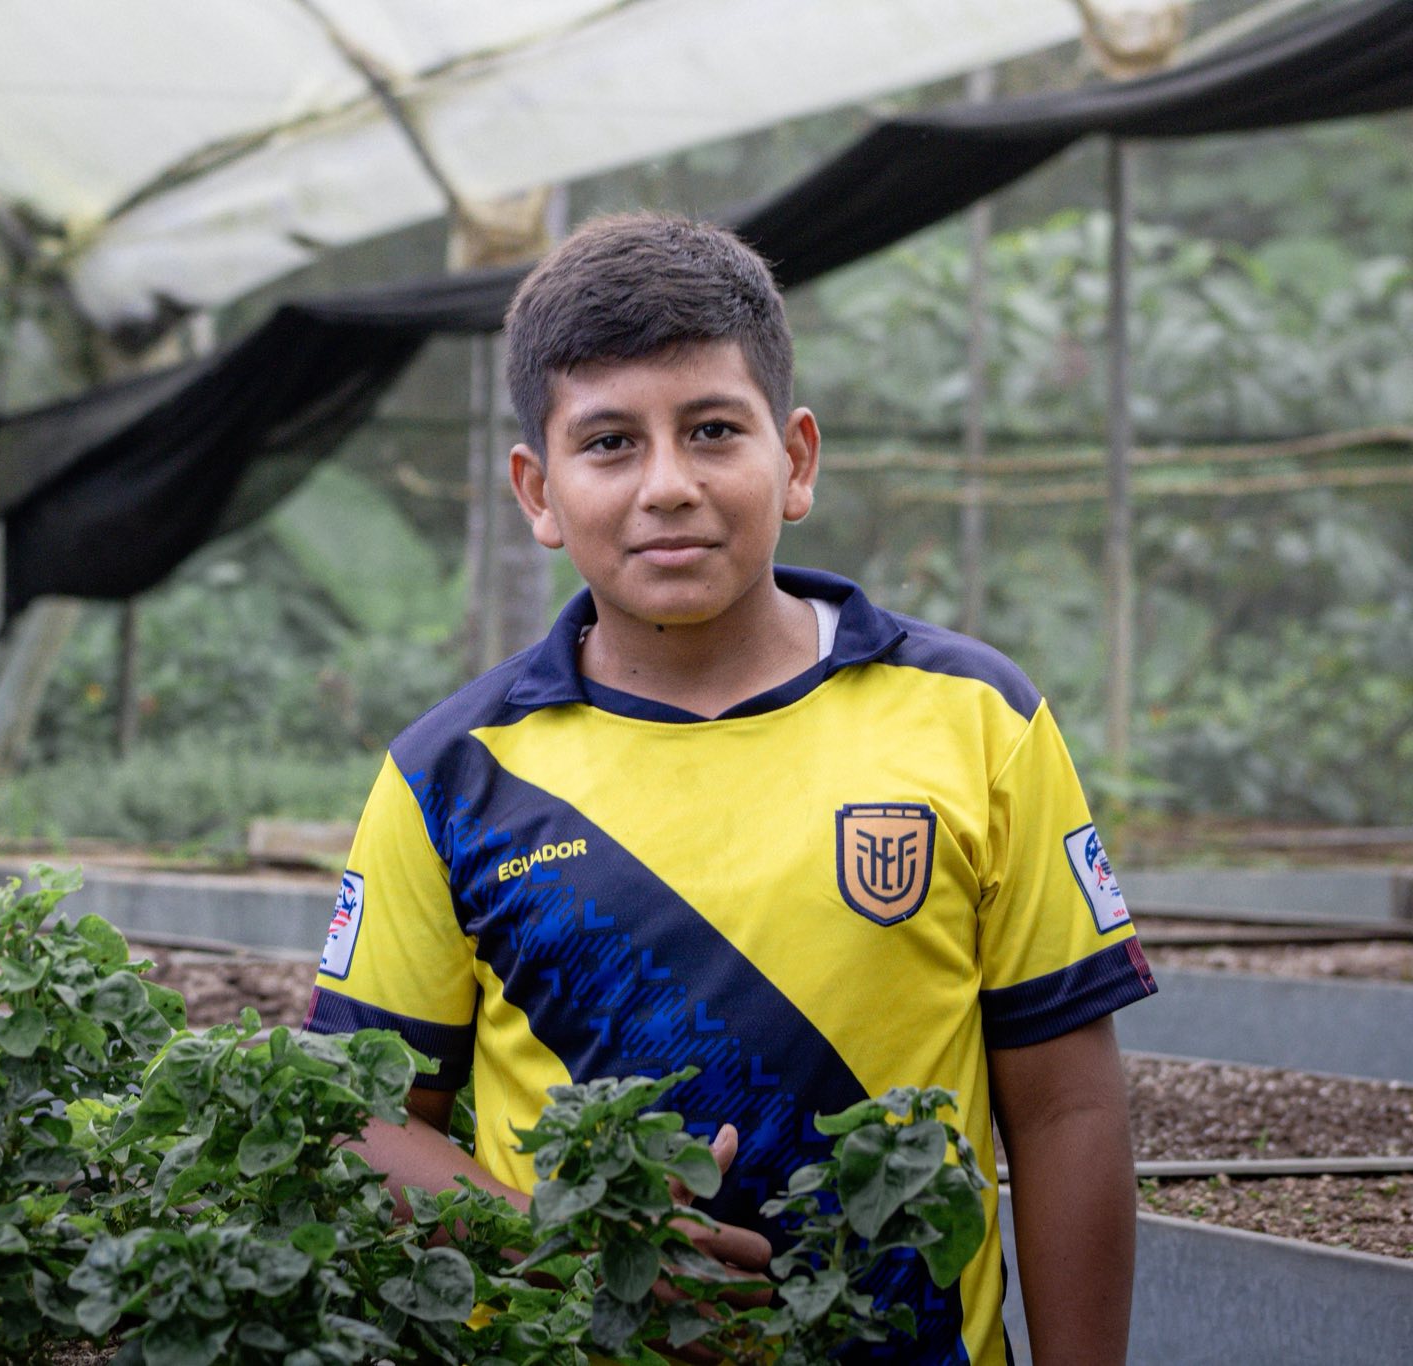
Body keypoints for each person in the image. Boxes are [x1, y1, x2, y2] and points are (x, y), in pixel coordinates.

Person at [302, 213, 1156, 1365]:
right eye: (609, 442)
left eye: (711, 430)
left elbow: (1064, 1108)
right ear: (536, 490)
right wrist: (566, 1241)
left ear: (793, 459)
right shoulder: (448, 776)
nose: (667, 485)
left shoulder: (972, 721)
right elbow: (356, 1121)